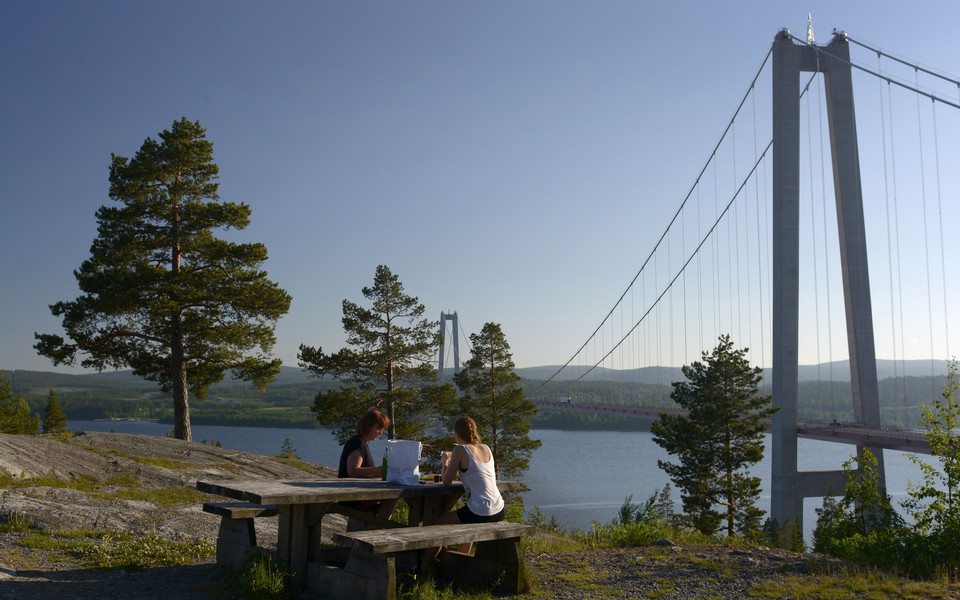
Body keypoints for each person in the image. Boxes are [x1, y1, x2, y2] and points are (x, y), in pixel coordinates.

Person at [423, 415, 504, 570]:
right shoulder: (486, 448)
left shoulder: (460, 449)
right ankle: (463, 565)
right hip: (498, 509)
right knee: (468, 522)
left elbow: (446, 481)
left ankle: (424, 568)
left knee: (438, 526)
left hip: (481, 510)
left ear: (457, 433)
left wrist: (445, 463)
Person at [338, 409, 396, 518]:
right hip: (352, 497)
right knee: (394, 493)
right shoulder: (357, 442)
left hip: (354, 493)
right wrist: (379, 470)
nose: (380, 433)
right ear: (368, 426)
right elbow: (353, 471)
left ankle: (378, 523)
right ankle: (381, 524)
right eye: (378, 428)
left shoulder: (361, 442)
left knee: (393, 493)